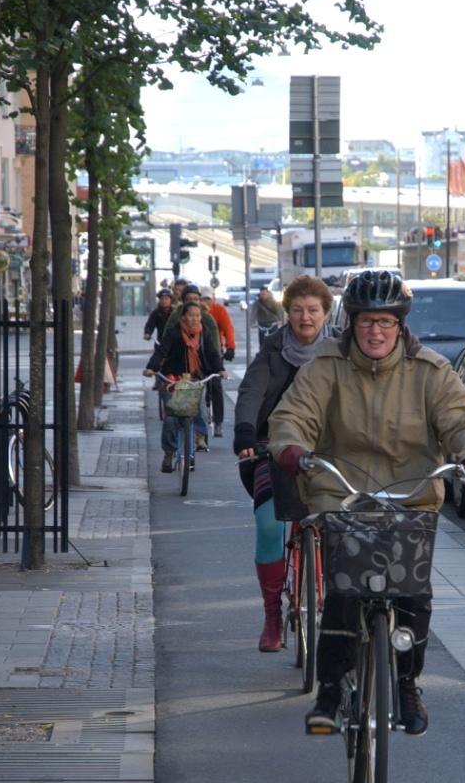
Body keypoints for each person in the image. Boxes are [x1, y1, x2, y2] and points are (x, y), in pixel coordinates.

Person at [269, 269, 465, 736]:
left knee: (415, 594)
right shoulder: (326, 366)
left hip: (410, 495)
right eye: (367, 321)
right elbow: (294, 415)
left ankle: (407, 681)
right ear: (351, 323)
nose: (376, 331)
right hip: (343, 493)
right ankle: (331, 690)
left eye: (386, 322)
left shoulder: (430, 371)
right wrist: (292, 447)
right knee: (344, 593)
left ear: (401, 326)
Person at [233, 276, 336, 652]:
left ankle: (340, 605)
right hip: (272, 444)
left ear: (326, 312)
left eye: (313, 310)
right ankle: (273, 615)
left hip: (329, 446)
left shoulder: (342, 350)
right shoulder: (273, 347)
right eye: (297, 310)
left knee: (345, 523)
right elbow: (252, 390)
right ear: (286, 313)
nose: (305, 318)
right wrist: (245, 432)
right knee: (268, 523)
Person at [143, 299, 224, 472]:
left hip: (194, 379)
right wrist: (151, 368)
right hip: (173, 379)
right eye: (190, 316)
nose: (194, 319)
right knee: (172, 417)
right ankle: (169, 453)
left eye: (197, 316)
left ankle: (199, 436)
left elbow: (212, 353)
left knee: (200, 408)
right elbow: (161, 352)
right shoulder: (173, 333)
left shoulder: (204, 333)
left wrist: (221, 370)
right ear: (183, 317)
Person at [199, 287, 235, 437]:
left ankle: (218, 421)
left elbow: (228, 328)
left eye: (208, 299)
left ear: (212, 299)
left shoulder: (218, 310)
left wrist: (230, 347)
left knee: (216, 386)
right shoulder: (194, 312)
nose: (205, 302)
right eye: (203, 299)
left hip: (215, 352)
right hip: (197, 355)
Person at [254, 285, 283, 350]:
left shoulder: (273, 301)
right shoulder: (258, 302)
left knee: (273, 340)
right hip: (262, 324)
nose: (263, 296)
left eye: (264, 294)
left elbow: (278, 310)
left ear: (267, 293)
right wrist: (252, 322)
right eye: (262, 294)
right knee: (261, 341)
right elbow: (254, 312)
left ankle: (273, 354)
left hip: (272, 323)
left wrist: (280, 320)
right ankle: (262, 354)